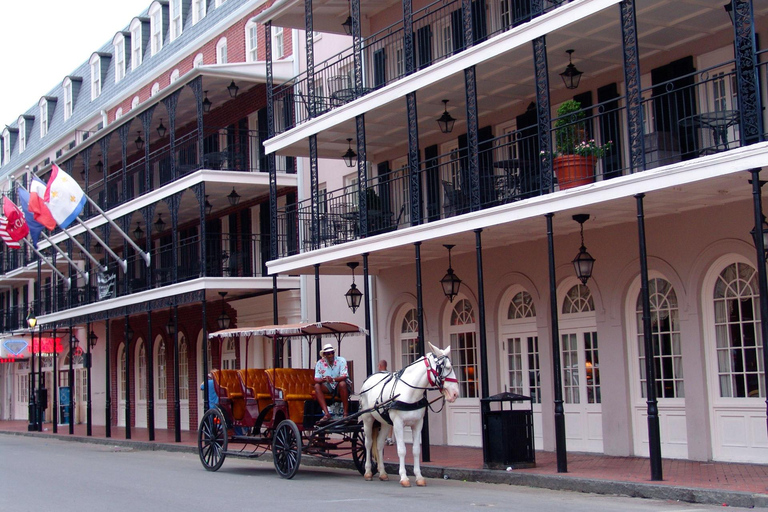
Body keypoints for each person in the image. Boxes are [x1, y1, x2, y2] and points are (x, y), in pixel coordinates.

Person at [314, 343, 349, 422]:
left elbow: (344, 376)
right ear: (324, 355)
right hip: (328, 385)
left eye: (332, 353)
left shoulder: (341, 360)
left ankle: (345, 413)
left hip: (339, 386)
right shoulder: (320, 363)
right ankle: (327, 414)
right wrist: (324, 379)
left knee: (342, 383)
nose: (331, 355)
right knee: (317, 386)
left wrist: (333, 379)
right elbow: (316, 379)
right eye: (328, 354)